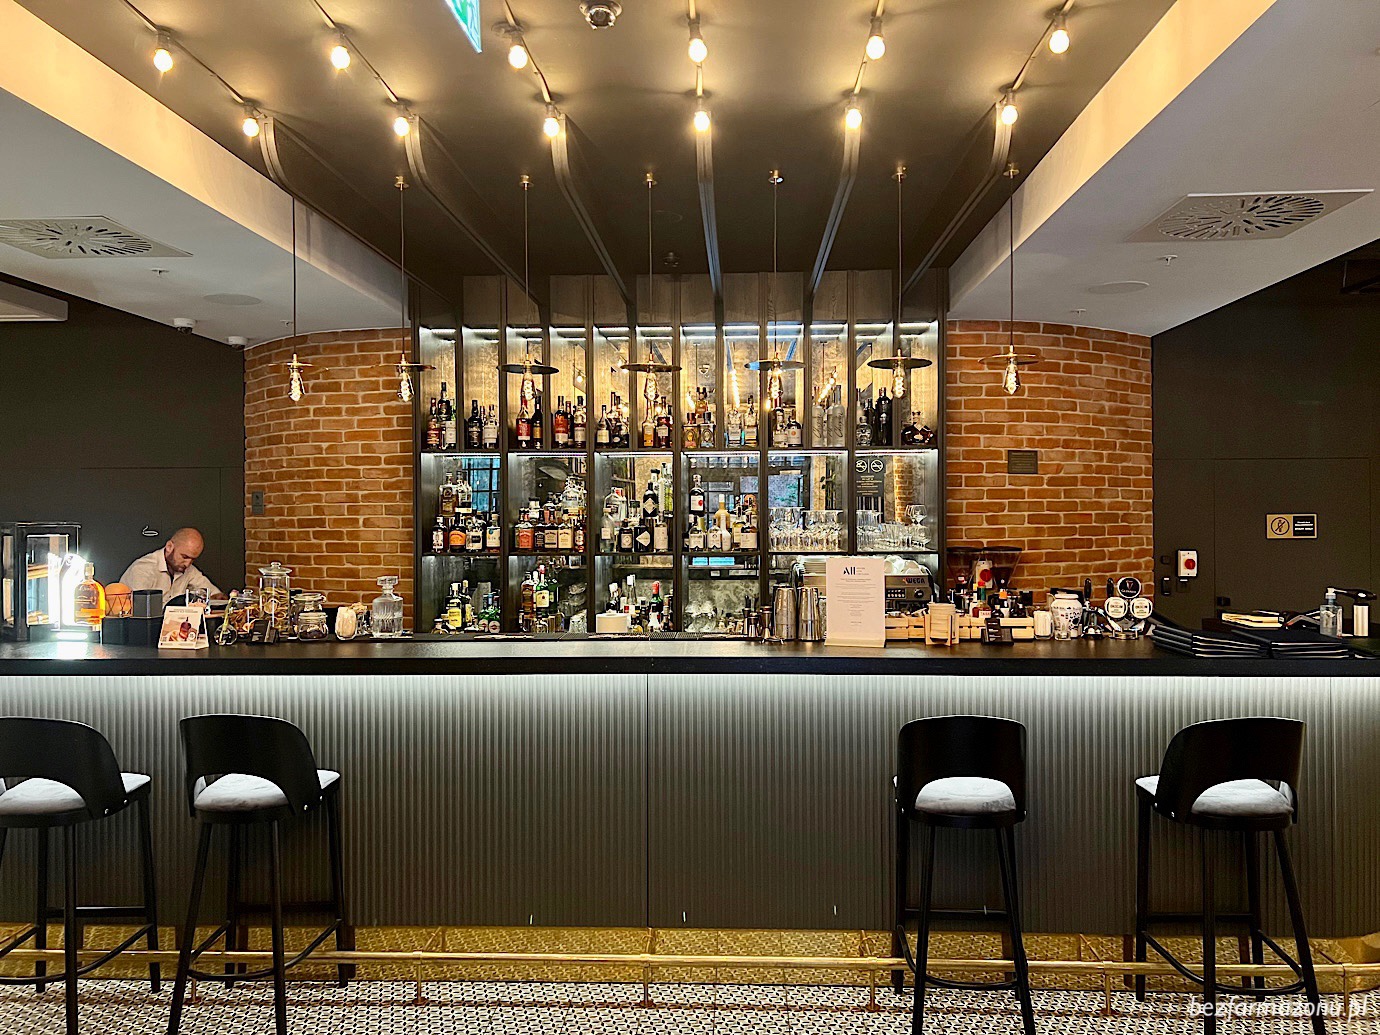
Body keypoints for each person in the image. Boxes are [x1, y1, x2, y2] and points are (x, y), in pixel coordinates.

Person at [120, 528, 222, 602]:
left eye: (193, 559)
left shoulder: (188, 569)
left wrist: (218, 598)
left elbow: (216, 595)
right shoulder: (142, 569)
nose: (187, 564)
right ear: (169, 547)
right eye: (184, 557)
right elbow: (139, 610)